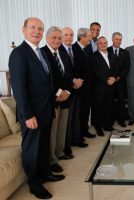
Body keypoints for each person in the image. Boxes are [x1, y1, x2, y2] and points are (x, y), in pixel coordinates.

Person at [9, 17, 64, 199]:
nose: (37, 31)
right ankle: (34, 183)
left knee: (43, 146)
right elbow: (19, 88)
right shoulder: (19, 53)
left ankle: (44, 173)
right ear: (23, 29)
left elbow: (48, 84)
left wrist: (52, 107)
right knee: (32, 149)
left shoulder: (40, 52)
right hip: (32, 114)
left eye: (40, 28)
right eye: (33, 28)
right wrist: (28, 115)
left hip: (46, 110)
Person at [42, 26, 74, 173]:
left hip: (66, 97)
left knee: (62, 128)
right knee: (52, 131)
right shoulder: (42, 53)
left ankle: (60, 153)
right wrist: (59, 92)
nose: (57, 40)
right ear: (47, 38)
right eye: (54, 37)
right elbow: (44, 78)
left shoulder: (63, 52)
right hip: (52, 99)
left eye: (59, 38)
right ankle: (52, 159)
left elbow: (68, 74)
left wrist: (67, 91)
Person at [60, 27, 83, 157]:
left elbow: (76, 68)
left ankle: (74, 140)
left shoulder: (74, 48)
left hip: (76, 89)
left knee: (74, 118)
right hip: (65, 90)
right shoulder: (59, 49)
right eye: (66, 35)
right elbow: (62, 73)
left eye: (71, 35)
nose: (69, 37)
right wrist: (73, 82)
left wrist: (78, 81)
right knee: (66, 122)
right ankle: (66, 148)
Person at [90, 36, 117, 134]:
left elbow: (115, 69)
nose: (103, 45)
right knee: (98, 108)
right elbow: (95, 71)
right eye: (101, 43)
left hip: (111, 86)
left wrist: (114, 78)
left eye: (105, 43)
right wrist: (106, 79)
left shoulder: (112, 55)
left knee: (109, 106)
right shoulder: (93, 56)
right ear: (97, 45)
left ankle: (108, 125)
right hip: (99, 87)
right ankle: (98, 128)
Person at [72, 28, 93, 147]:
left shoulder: (87, 48)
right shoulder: (74, 49)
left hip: (88, 87)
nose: (91, 38)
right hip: (78, 88)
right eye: (89, 36)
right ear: (83, 37)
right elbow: (72, 69)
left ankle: (85, 131)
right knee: (78, 114)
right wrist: (75, 81)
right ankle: (77, 137)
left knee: (85, 112)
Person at [107, 32, 130, 127]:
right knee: (109, 102)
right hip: (109, 82)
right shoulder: (106, 50)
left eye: (120, 39)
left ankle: (121, 120)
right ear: (112, 39)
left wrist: (117, 77)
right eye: (116, 39)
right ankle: (110, 121)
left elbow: (127, 67)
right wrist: (110, 78)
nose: (118, 41)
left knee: (121, 102)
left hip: (120, 81)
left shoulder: (125, 52)